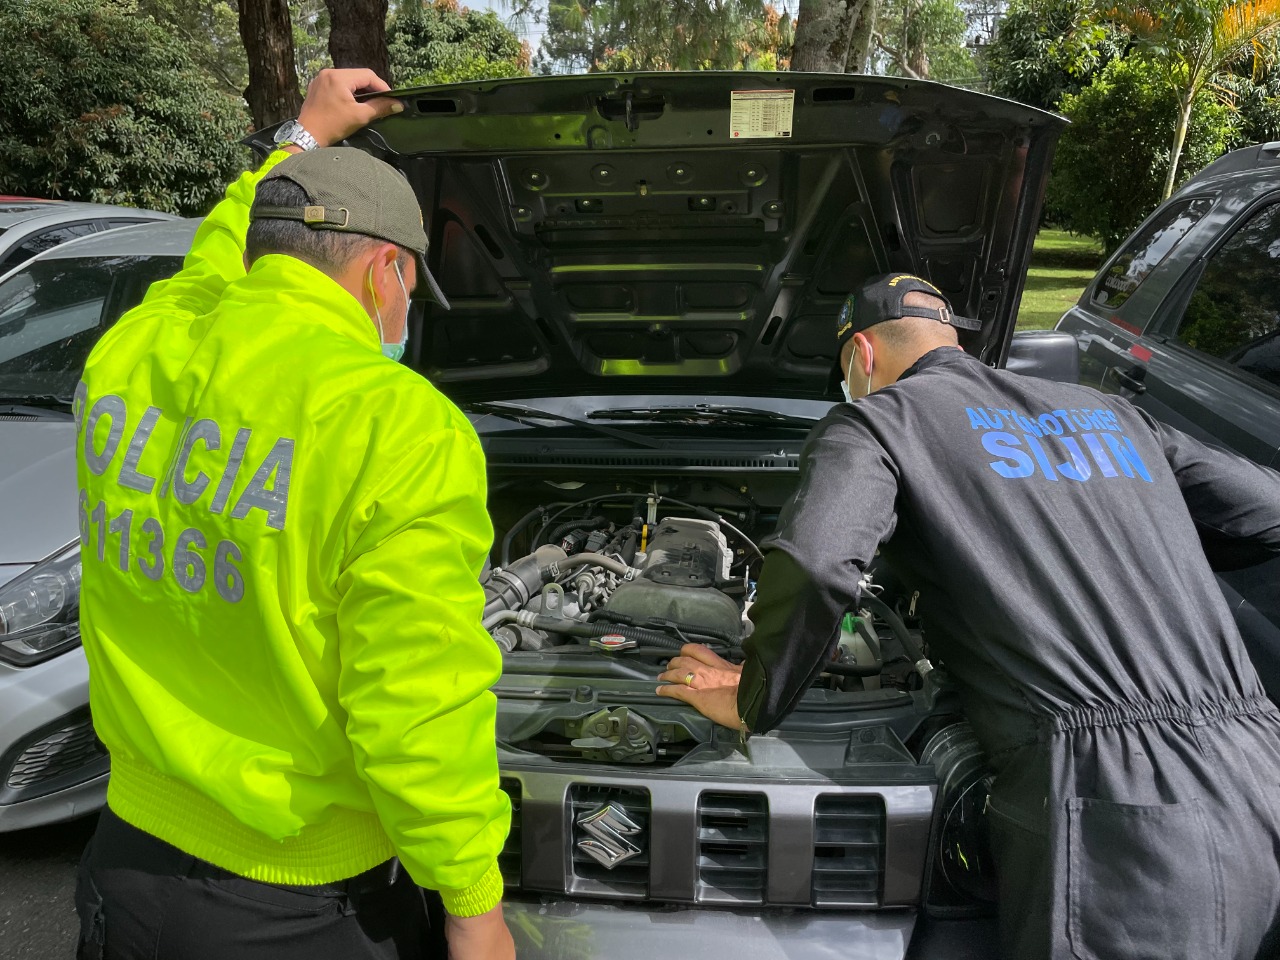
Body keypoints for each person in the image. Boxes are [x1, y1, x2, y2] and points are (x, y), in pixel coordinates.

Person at [657, 272, 1280, 959]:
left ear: (860, 355)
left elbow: (814, 562)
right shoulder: (1111, 414)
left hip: (1121, 813)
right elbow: (1268, 510)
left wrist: (755, 697)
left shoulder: (883, 418)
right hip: (1260, 764)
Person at [72, 69, 514, 960]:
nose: (401, 317)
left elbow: (214, 259)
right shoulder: (400, 425)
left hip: (123, 864)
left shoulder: (134, 351)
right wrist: (472, 899)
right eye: (408, 291)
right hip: (296, 905)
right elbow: (414, 708)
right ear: (387, 269)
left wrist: (299, 141)